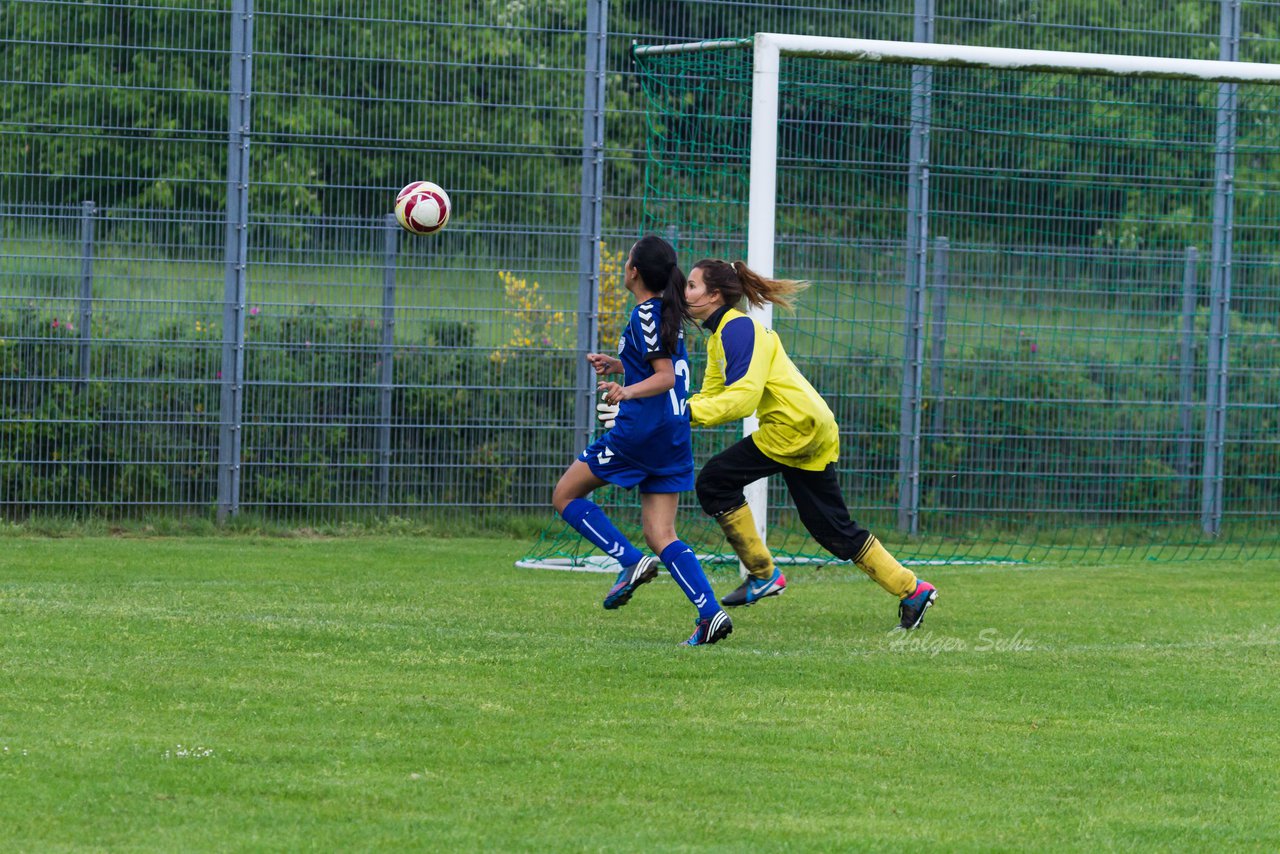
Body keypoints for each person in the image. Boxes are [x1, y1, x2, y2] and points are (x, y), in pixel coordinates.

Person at [681, 258, 937, 630]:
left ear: (715, 295)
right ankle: (912, 590)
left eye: (691, 285)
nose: (684, 292)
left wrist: (680, 413)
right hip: (810, 425)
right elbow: (711, 396)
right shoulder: (721, 337)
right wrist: (679, 409)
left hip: (793, 427)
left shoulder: (739, 330)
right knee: (832, 529)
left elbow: (742, 400)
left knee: (714, 481)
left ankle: (763, 574)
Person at [551, 235, 732, 647]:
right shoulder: (662, 313)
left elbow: (665, 376)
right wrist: (620, 365)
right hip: (672, 434)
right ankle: (710, 613)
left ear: (633, 270)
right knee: (661, 534)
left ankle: (629, 561)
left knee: (565, 495)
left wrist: (625, 391)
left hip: (641, 433)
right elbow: (657, 366)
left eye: (628, 256)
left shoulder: (646, 315)